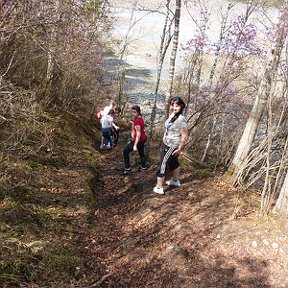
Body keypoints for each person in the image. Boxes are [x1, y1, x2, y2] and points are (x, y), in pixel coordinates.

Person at [153, 96, 188, 194]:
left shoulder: (181, 120)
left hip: (171, 146)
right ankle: (175, 181)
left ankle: (159, 187)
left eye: (177, 106)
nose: (174, 107)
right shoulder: (173, 115)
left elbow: (184, 136)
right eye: (172, 105)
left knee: (162, 164)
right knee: (173, 162)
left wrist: (180, 149)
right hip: (167, 143)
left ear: (181, 107)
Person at [123, 105, 147, 174]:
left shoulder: (137, 121)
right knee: (141, 153)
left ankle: (127, 168)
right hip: (143, 138)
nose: (133, 113)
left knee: (125, 151)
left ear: (138, 112)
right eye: (132, 112)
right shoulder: (140, 118)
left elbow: (138, 134)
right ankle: (143, 167)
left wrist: (135, 145)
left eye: (134, 112)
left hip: (139, 139)